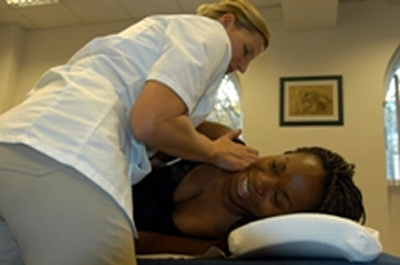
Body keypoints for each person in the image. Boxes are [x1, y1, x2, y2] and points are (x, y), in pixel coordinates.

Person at [0, 0, 270, 264]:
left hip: (14, 142)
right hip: (68, 153)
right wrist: (213, 152)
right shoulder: (209, 34)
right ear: (226, 21)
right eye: (246, 51)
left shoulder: (153, 41)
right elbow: (151, 122)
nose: (243, 67)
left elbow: (146, 127)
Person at [133, 145, 365, 255]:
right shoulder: (220, 141)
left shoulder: (221, 242)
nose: (261, 181)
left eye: (277, 198)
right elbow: (146, 132)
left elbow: (129, 241)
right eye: (275, 166)